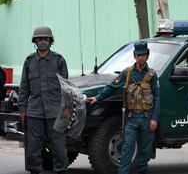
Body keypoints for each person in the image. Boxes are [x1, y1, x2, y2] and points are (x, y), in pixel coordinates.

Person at [86, 41, 160, 174]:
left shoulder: (152, 75)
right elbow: (112, 87)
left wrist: (154, 119)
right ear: (134, 56)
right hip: (131, 118)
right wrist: (98, 97)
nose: (141, 57)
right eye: (138, 55)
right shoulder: (127, 73)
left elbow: (157, 98)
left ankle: (142, 171)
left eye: (143, 55)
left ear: (147, 56)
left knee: (145, 151)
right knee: (127, 148)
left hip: (146, 118)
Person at [18, 26, 69, 174]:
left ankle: (61, 170)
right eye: (39, 39)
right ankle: (35, 171)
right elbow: (24, 87)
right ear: (35, 41)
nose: (42, 41)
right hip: (34, 112)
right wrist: (22, 109)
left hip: (55, 112)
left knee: (59, 147)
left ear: (50, 41)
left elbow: (66, 88)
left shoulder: (59, 60)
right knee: (34, 148)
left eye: (45, 39)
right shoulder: (29, 61)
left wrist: (66, 108)